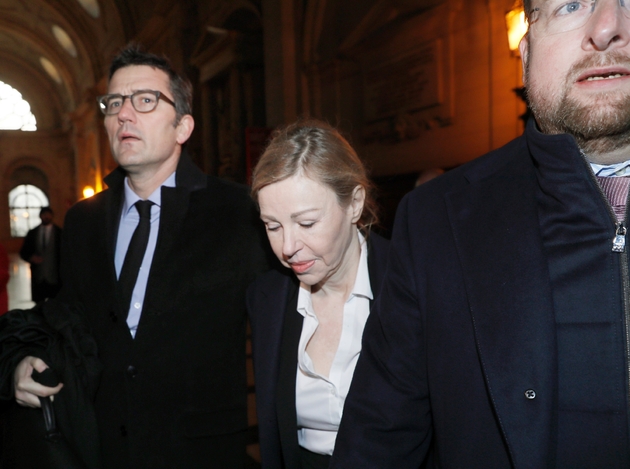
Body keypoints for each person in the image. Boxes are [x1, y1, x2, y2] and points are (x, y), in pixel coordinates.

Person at [331, 1, 630, 468]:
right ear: (526, 51)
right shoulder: (435, 223)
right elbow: (379, 439)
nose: (608, 27)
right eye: (570, 4)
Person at [4, 45, 272, 468]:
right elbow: (65, 318)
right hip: (103, 447)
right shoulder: (83, 221)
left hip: (200, 452)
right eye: (114, 103)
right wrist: (20, 360)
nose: (123, 114)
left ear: (183, 126)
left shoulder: (240, 213)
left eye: (144, 100)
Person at [247, 120, 389, 468]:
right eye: (273, 226)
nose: (289, 247)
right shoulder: (267, 299)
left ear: (354, 203)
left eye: (307, 223)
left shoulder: (410, 282)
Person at [19, 207, 62, 303]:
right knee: (39, 305)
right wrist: (31, 257)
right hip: (38, 276)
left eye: (48, 214)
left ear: (52, 216)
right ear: (40, 216)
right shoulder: (32, 233)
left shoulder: (60, 233)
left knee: (55, 303)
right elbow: (23, 251)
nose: (46, 216)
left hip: (55, 276)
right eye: (44, 214)